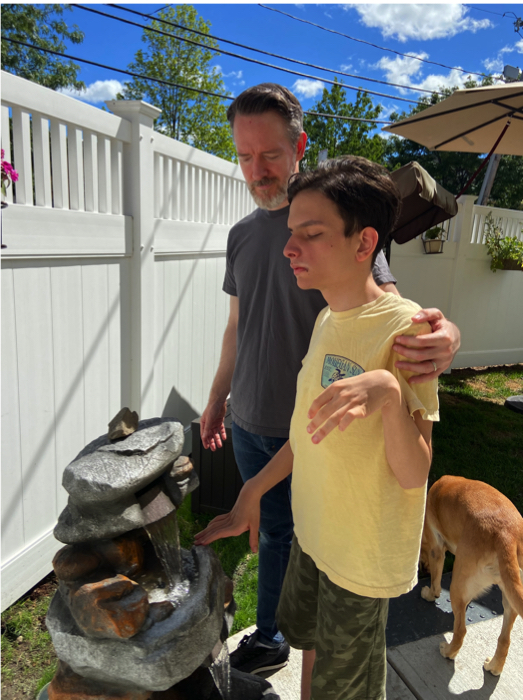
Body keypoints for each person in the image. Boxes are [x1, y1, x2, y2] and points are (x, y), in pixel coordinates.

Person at [199, 83, 459, 674]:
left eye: (269, 154)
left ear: (299, 146)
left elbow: (388, 313)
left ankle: (292, 644)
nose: (256, 170)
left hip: (335, 436)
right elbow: (237, 327)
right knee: (275, 536)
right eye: (244, 155)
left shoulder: (334, 222)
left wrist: (445, 337)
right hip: (261, 421)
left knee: (309, 545)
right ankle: (270, 636)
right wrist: (218, 398)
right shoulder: (243, 237)